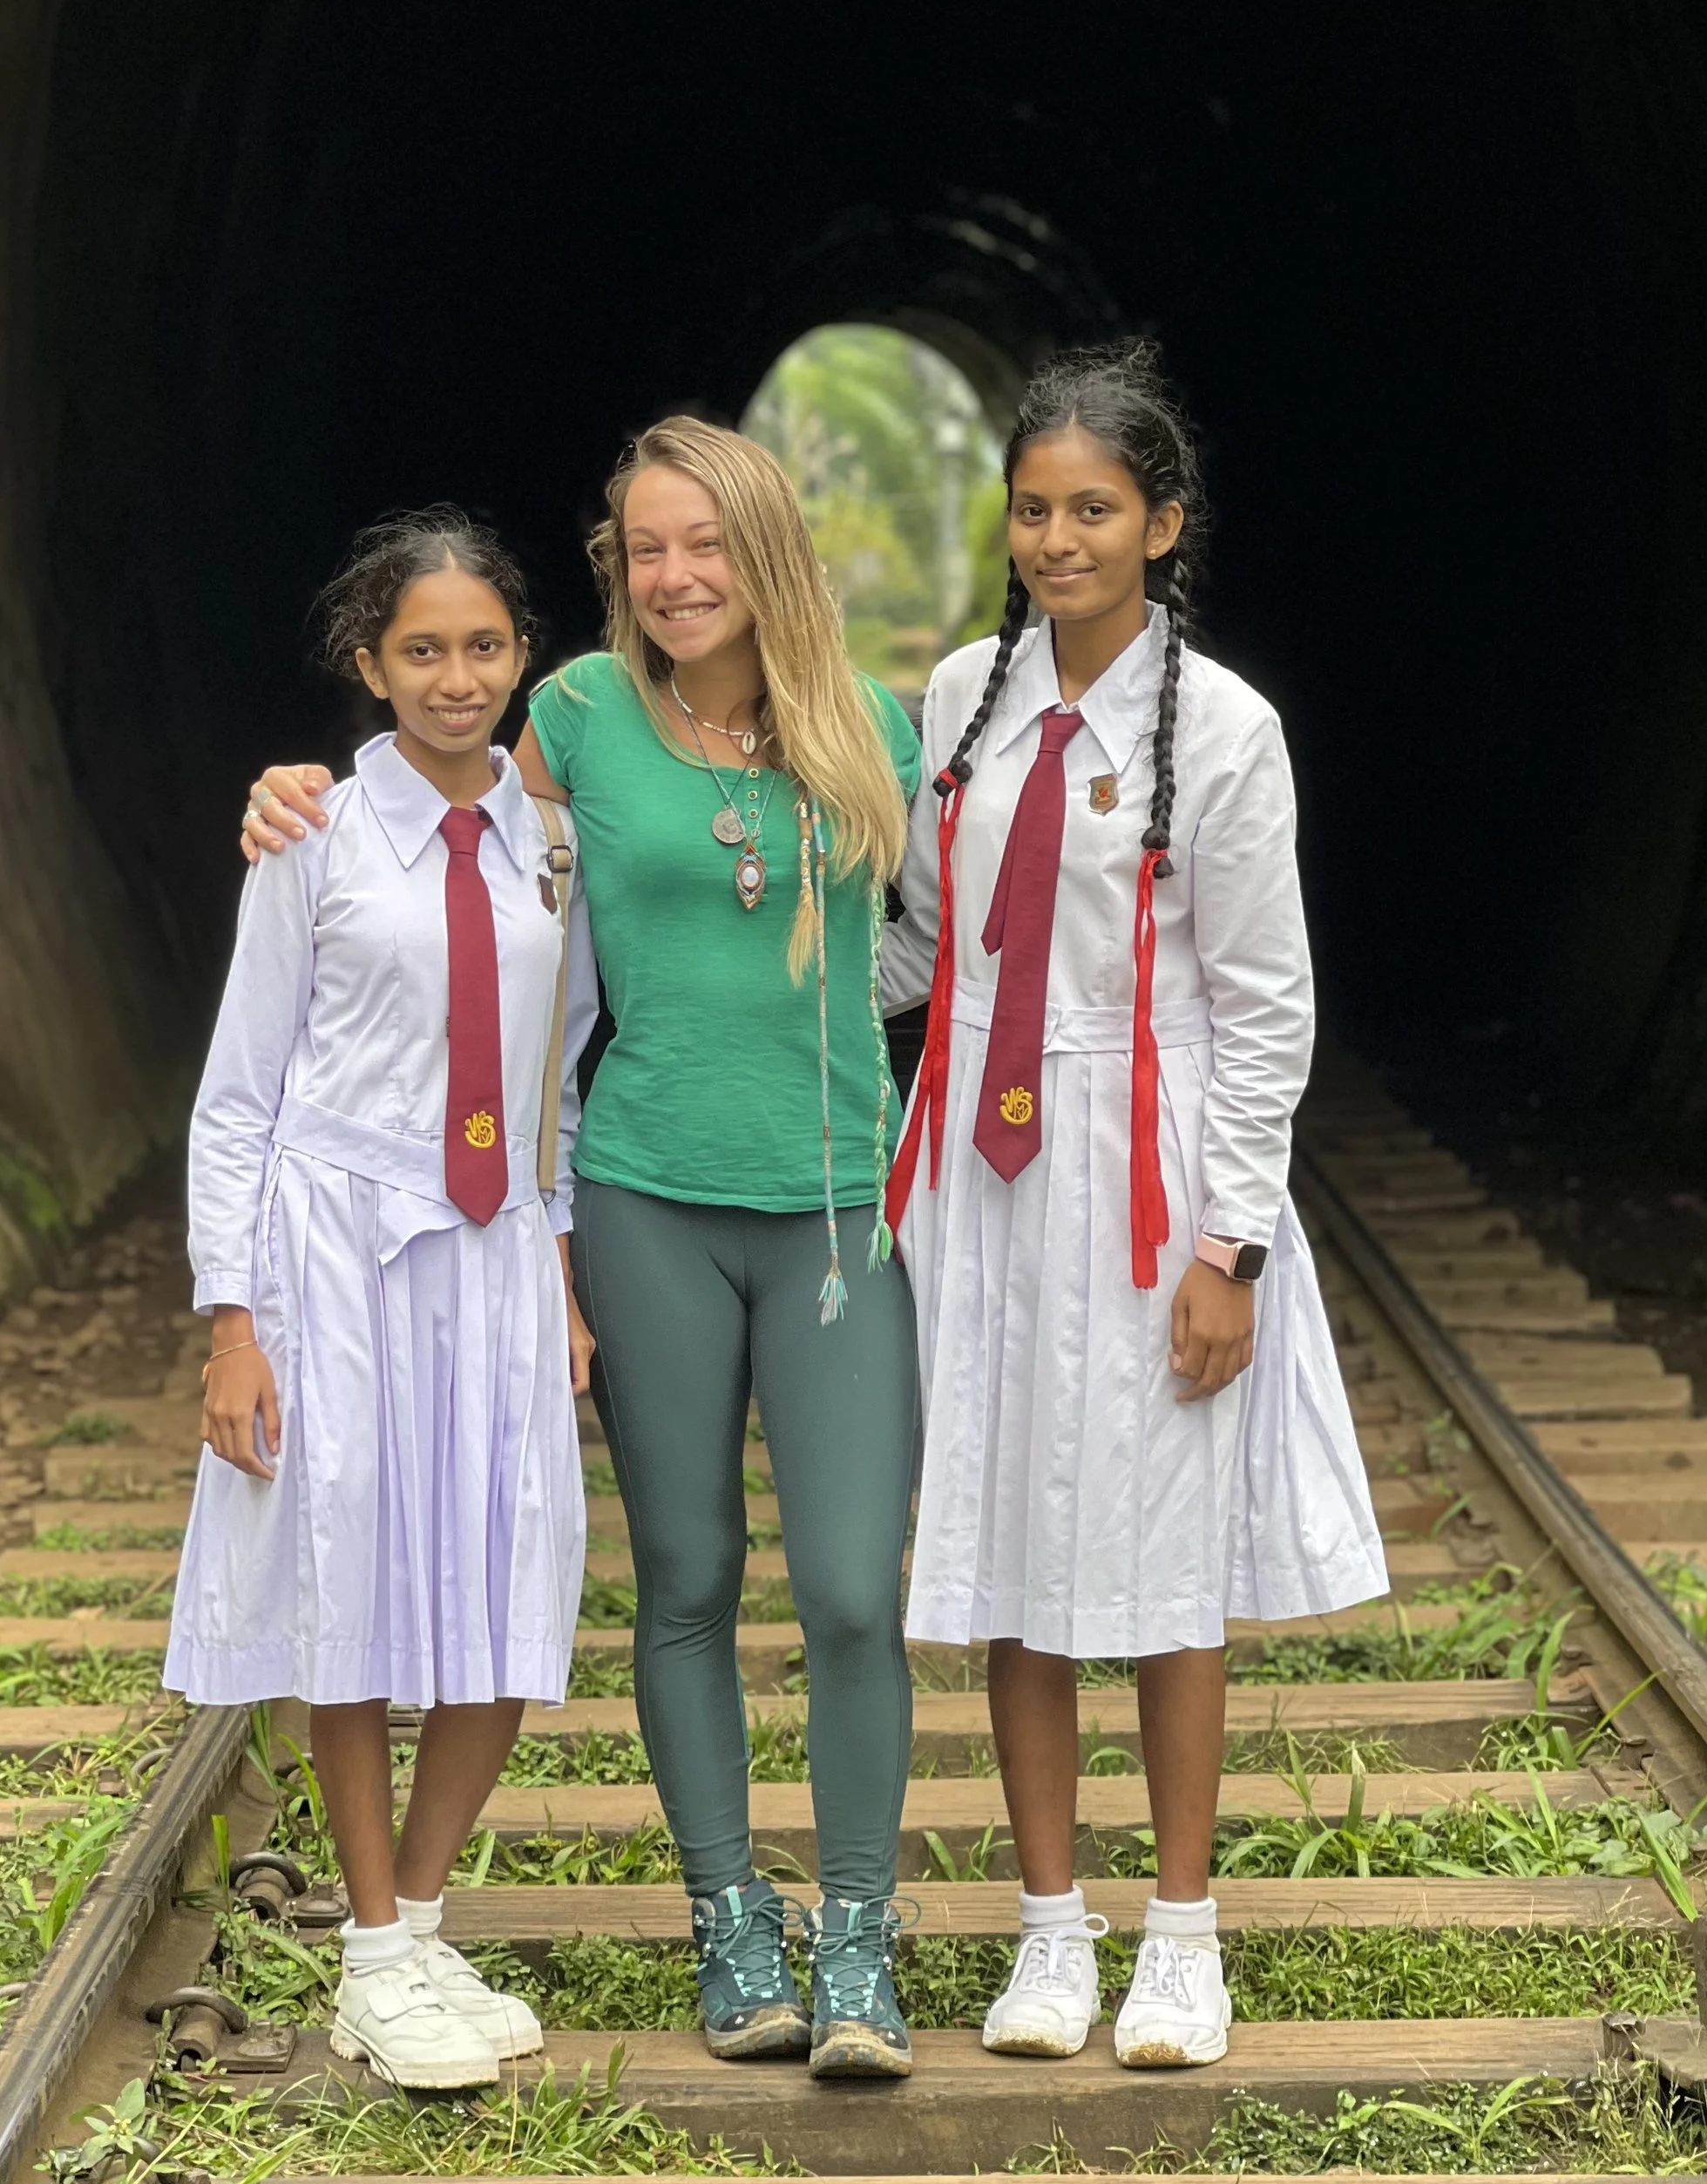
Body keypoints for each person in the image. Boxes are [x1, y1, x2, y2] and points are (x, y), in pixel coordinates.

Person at [240, 418, 925, 2078]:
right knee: (683, 1576)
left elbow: (933, 955)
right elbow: (448, 817)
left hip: (835, 1212)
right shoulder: (575, 720)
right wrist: (300, 792)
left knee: (848, 1585)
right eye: (645, 551)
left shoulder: (878, 730)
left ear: (768, 553)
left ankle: (856, 1942)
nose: (678, 579)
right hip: (639, 1196)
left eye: (709, 545)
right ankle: (729, 1927)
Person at [879, 342, 1386, 2070]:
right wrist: (718, 918)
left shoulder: (1225, 730)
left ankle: (1179, 1936)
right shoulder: (959, 698)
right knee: (1010, 1543)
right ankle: (1045, 1931)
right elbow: (918, 949)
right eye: (1030, 508)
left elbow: (1263, 1004)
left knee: (1162, 1561)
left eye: (1091, 508)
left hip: (1143, 1175)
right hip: (979, 1176)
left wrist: (1226, 1247)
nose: (1055, 539)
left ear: (1160, 524)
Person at [167, 508, 598, 2090]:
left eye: (483, 646)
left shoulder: (559, 843)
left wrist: (553, 1270)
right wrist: (235, 1317)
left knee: (508, 1572)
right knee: (348, 1575)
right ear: (370, 665)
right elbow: (239, 1093)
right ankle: (368, 1945)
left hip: (493, 1247)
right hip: (334, 1245)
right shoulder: (314, 841)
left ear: (522, 656)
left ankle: (420, 1922)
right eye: (422, 649)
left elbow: (555, 1076)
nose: (456, 676)